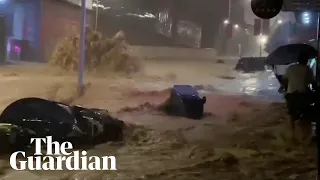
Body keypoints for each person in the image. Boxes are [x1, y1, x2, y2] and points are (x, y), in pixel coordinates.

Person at [282, 52, 315, 142]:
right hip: (303, 95)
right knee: (306, 115)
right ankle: (305, 135)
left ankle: (291, 134)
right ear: (306, 60)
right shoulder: (307, 69)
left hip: (291, 94)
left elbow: (284, 80)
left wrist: (286, 91)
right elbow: (312, 82)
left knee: (291, 115)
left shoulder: (290, 68)